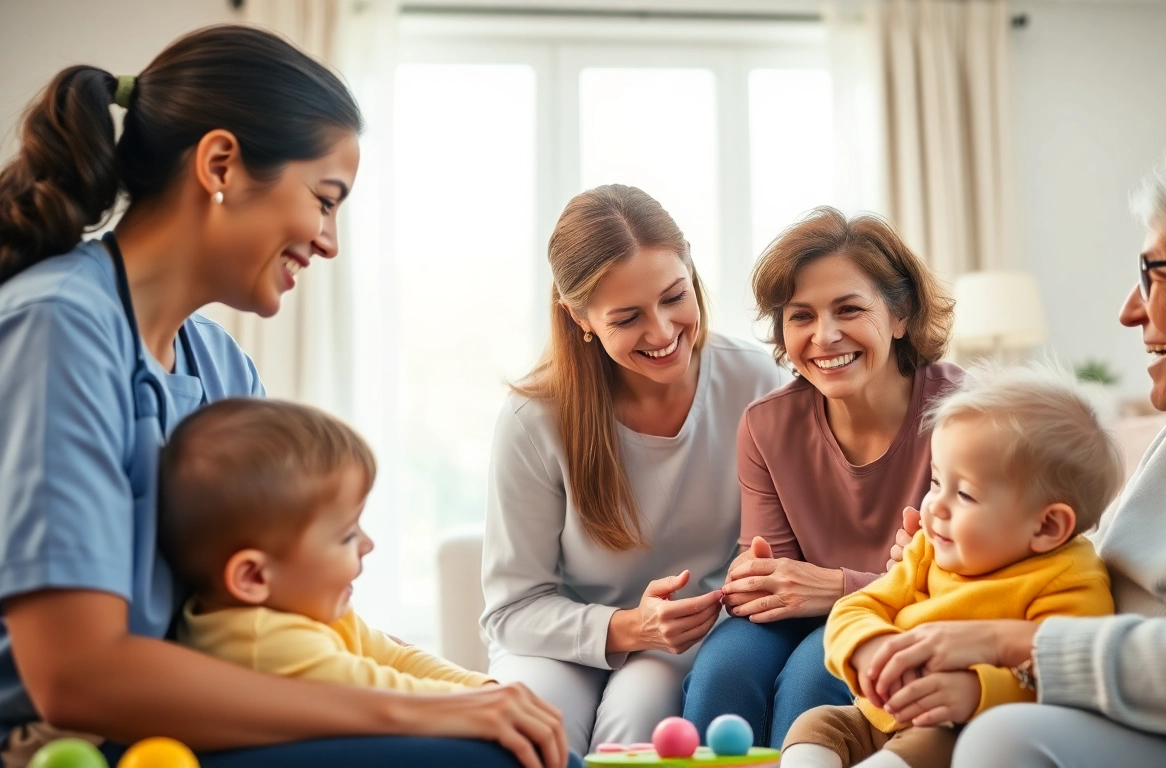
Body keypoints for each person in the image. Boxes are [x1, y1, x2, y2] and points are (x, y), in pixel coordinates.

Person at [0, 25, 569, 768]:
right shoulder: (57, 327)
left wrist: (477, 693)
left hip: (182, 728)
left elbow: (288, 623)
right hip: (69, 745)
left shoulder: (223, 369)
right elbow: (77, 678)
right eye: (324, 200)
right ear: (222, 164)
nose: (330, 241)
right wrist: (422, 711)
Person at [880, 133, 1166, 768]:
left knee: (1004, 740)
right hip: (1137, 718)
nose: (1130, 311)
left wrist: (1011, 641)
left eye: (1155, 274)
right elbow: (1101, 576)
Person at [481, 184, 784, 753]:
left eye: (675, 296)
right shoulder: (533, 417)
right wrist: (627, 628)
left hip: (701, 632)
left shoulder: (758, 383)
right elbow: (511, 608)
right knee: (531, 728)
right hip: (557, 641)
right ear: (579, 318)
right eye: (628, 318)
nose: (663, 332)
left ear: (691, 268)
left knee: (639, 710)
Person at [683, 208, 961, 748]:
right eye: (801, 316)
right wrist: (753, 582)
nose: (824, 336)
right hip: (807, 613)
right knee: (722, 673)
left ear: (900, 316)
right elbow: (772, 574)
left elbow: (968, 581)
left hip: (912, 610)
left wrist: (837, 587)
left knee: (816, 678)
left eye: (849, 309)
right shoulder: (767, 424)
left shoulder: (964, 415)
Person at [779, 364, 1121, 768]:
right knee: (816, 725)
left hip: (956, 730)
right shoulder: (929, 547)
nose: (934, 505)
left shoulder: (1070, 580)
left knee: (925, 751)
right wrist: (869, 646)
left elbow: (1070, 675)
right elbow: (857, 608)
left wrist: (977, 691)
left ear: (1046, 526)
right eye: (937, 482)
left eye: (965, 494)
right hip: (876, 716)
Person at [160, 398, 494, 694]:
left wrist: (486, 688)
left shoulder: (305, 608)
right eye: (347, 535)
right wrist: (485, 704)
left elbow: (396, 657)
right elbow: (386, 692)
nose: (368, 544)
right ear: (254, 577)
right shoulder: (260, 641)